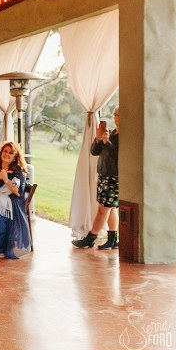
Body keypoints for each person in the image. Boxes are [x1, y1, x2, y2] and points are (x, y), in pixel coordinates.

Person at [73, 107, 120, 250]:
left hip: (114, 177)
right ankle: (112, 239)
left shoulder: (125, 136)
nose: (117, 117)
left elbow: (118, 155)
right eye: (115, 115)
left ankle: (90, 238)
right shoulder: (111, 133)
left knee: (103, 209)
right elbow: (94, 152)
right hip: (104, 175)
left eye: (120, 115)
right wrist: (99, 139)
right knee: (110, 209)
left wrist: (107, 143)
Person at [0, 141, 31, 259]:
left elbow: (18, 192)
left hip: (13, 201)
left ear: (15, 156)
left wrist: (5, 179)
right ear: (1, 152)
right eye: (5, 151)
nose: (7, 154)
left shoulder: (17, 170)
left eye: (11, 153)